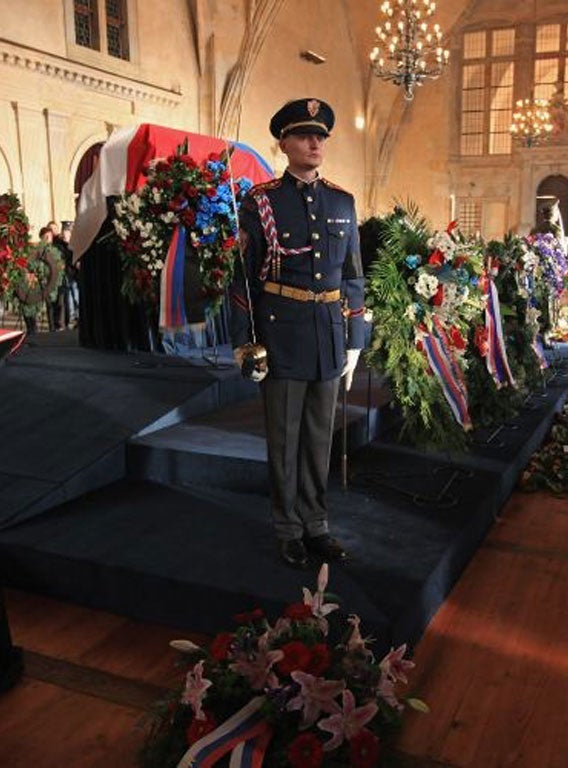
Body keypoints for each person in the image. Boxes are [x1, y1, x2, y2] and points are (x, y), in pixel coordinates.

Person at [229, 98, 366, 569]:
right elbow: (243, 276)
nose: (315, 143)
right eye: (305, 135)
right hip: (281, 335)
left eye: (321, 136)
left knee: (319, 437)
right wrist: (246, 342)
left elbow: (353, 276)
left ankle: (317, 524)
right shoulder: (261, 201)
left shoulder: (343, 201)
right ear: (283, 142)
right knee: (284, 438)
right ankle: (287, 527)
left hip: (328, 333)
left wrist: (355, 339)